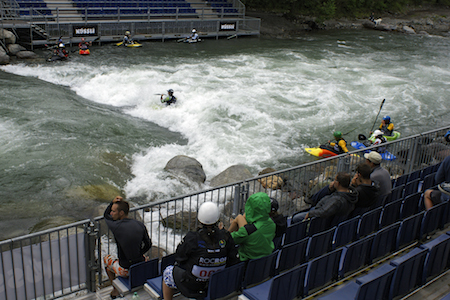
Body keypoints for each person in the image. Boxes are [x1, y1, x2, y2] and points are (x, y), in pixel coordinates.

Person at [162, 202, 238, 300]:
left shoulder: (192, 238)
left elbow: (179, 257)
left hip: (193, 287)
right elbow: (233, 260)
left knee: (167, 272)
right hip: (217, 284)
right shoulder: (226, 236)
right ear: (217, 219)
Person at [103, 196, 152, 299]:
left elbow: (106, 215)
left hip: (125, 269)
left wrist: (112, 202)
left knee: (106, 260)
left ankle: (115, 289)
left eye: (114, 211)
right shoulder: (139, 225)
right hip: (141, 265)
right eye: (112, 211)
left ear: (121, 213)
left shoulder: (116, 226)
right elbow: (148, 244)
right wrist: (139, 253)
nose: (112, 213)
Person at [226, 192, 276, 261]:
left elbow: (229, 239)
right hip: (265, 261)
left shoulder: (247, 231)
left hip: (246, 262)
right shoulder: (271, 223)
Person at [292, 172, 358, 222]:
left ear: (337, 183)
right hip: (321, 208)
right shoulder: (351, 194)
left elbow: (324, 211)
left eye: (335, 180)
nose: (333, 182)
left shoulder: (337, 200)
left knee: (295, 218)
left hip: (318, 214)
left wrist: (310, 214)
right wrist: (329, 189)